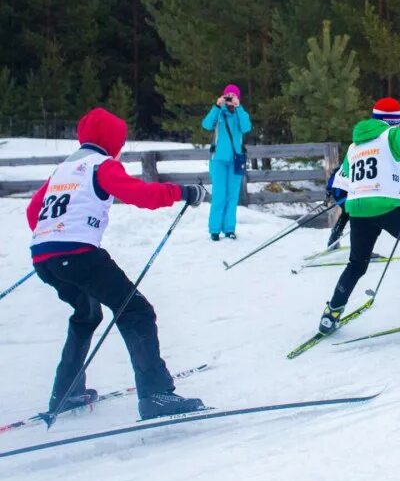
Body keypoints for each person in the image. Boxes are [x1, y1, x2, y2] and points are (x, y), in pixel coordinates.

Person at [26, 108, 207, 420]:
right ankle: (155, 394)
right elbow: (140, 194)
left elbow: (34, 213)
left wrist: (59, 237)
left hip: (45, 257)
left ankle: (65, 393)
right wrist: (183, 192)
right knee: (136, 311)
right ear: (112, 141)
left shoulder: (63, 170)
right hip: (76, 255)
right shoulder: (102, 165)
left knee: (86, 314)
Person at [318, 97, 400, 335]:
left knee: (356, 264)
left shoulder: (354, 146)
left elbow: (346, 173)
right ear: (394, 121)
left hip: (357, 208)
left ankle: (332, 313)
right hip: (385, 205)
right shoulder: (392, 136)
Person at [202, 84, 252, 241]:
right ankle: (215, 229)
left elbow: (246, 128)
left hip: (236, 160)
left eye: (233, 95)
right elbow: (206, 124)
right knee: (219, 195)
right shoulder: (219, 112)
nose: (230, 98)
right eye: (228, 95)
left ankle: (229, 228)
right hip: (218, 161)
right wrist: (216, 106)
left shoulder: (240, 113)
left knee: (232, 196)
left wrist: (239, 108)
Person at [325, 165, 351, 248]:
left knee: (346, 213)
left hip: (338, 193)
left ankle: (333, 239)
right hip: (344, 193)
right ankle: (362, 247)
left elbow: (334, 175)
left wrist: (328, 191)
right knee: (356, 215)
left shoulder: (344, 164)